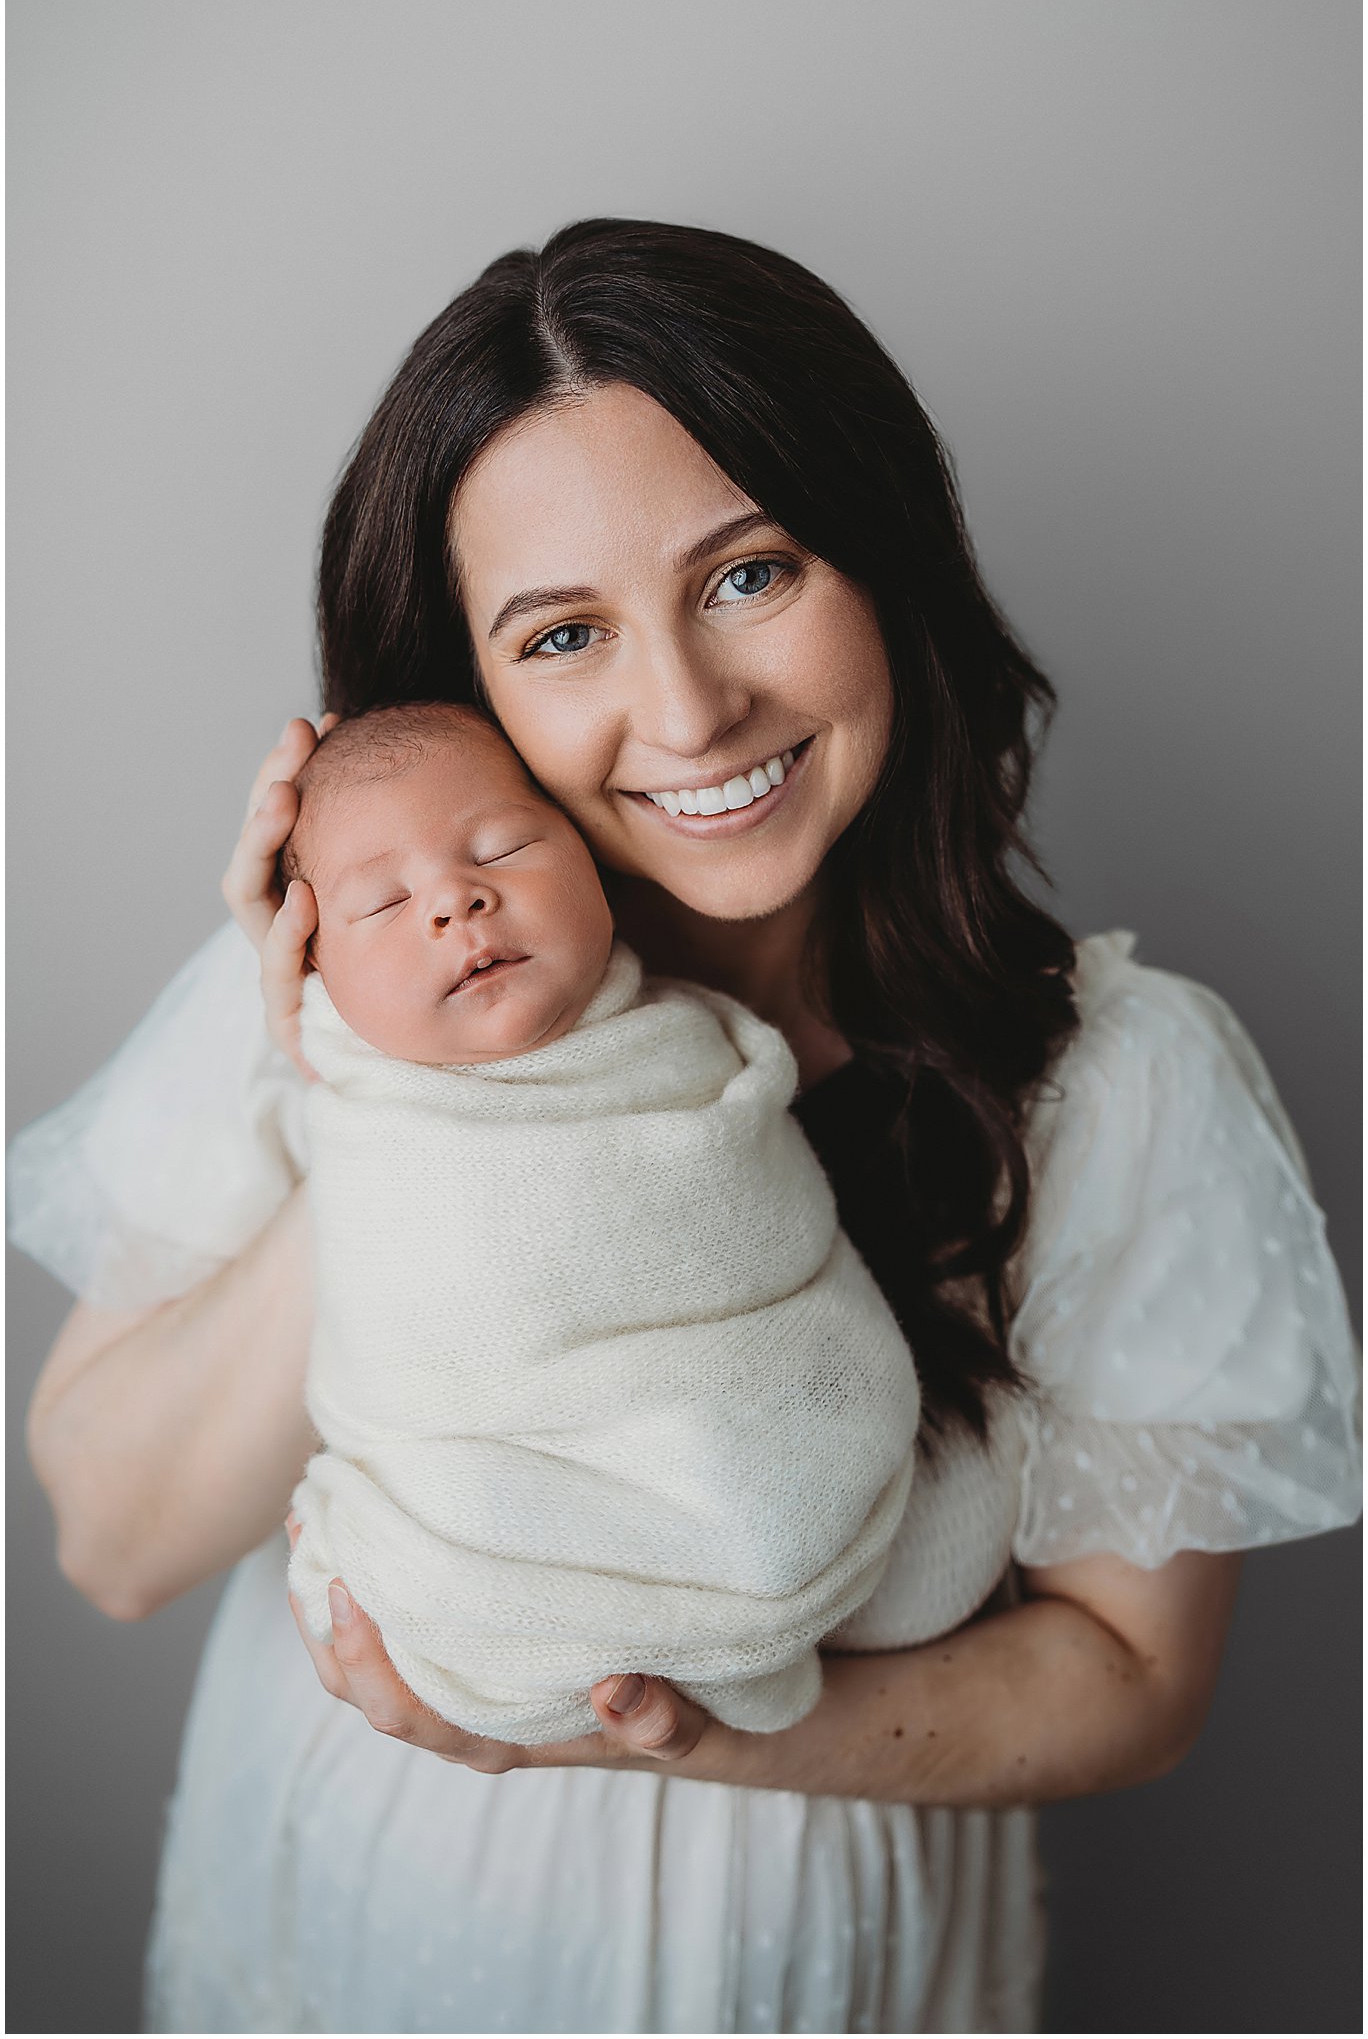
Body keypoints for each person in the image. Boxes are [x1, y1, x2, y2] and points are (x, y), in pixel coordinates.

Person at [14, 217, 1360, 2035]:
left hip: (812, 1941)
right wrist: (390, 1102)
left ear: (882, 563)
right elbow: (114, 1541)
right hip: (362, 1912)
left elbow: (1131, 1681)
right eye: (561, 633)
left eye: (748, 575)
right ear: (469, 689)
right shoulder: (345, 973)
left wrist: (695, 1735)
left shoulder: (1113, 1074)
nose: (685, 706)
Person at [282, 699, 920, 1742]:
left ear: (588, 854)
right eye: (384, 902)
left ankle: (730, 1579)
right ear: (310, 962)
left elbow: (764, 1251)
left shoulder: (680, 1045)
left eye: (502, 845)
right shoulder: (358, 1109)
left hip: (751, 1471)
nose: (456, 900)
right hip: (482, 1506)